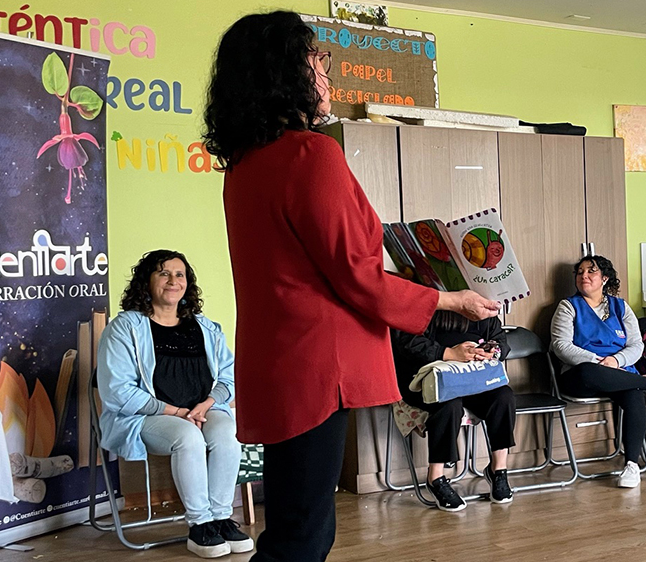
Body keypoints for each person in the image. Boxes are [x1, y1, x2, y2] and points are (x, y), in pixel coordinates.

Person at [203, 11, 499, 562]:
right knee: (304, 536)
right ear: (284, 72)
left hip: (278, 361)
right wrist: (447, 297)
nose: (326, 73)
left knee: (292, 524)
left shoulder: (245, 166)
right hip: (318, 365)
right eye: (317, 60)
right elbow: (356, 275)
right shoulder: (310, 154)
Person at [97, 250, 253, 559]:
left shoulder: (206, 328)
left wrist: (207, 403)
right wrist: (178, 412)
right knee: (188, 437)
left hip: (202, 411)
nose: (173, 281)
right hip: (144, 417)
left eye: (179, 274)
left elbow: (230, 377)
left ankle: (220, 518)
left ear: (188, 283)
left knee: (228, 434)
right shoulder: (125, 328)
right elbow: (118, 391)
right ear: (147, 282)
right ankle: (199, 526)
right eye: (163, 273)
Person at [551, 255, 646, 488]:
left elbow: (636, 345)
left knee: (633, 394)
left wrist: (615, 359)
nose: (584, 276)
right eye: (580, 272)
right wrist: (596, 360)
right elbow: (561, 346)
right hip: (581, 374)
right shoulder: (568, 306)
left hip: (619, 371)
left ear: (604, 278)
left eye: (591, 272)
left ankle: (632, 465)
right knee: (590, 372)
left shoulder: (620, 307)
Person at [391, 312, 515, 511]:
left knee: (504, 396)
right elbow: (406, 342)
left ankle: (498, 469)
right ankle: (436, 477)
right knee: (449, 404)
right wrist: (448, 353)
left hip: (471, 377)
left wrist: (492, 351)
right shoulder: (426, 302)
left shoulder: (482, 305)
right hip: (426, 380)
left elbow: (500, 340)